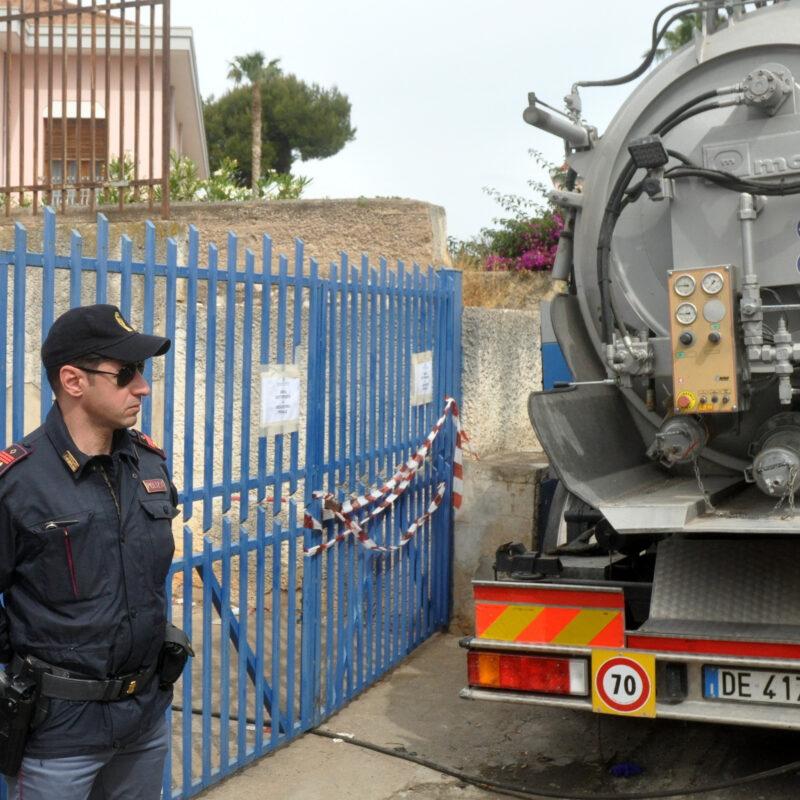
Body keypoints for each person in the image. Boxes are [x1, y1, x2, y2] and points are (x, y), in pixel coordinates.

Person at [0, 304, 181, 800]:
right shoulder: (20, 484)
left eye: (141, 372)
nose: (142, 386)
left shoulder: (149, 465)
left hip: (144, 720)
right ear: (73, 381)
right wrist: (23, 662)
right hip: (59, 737)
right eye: (125, 373)